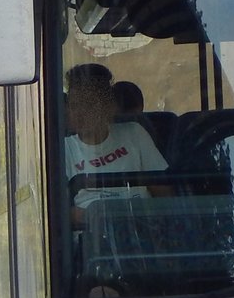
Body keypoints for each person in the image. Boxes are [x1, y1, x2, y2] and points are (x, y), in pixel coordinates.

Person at [64, 63, 168, 217]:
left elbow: (164, 195)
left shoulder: (135, 133)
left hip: (143, 226)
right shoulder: (64, 149)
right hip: (92, 235)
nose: (80, 113)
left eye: (88, 105)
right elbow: (60, 214)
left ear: (107, 107)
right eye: (74, 105)